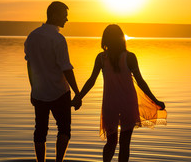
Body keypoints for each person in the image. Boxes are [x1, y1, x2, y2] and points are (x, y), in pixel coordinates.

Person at [71, 24, 167, 162]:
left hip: (110, 104)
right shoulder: (130, 57)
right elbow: (141, 82)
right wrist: (155, 100)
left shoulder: (101, 58)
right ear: (122, 39)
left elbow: (91, 81)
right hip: (128, 103)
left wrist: (77, 98)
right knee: (125, 144)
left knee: (111, 142)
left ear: (105, 40)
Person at [24, 1, 82, 162]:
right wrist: (77, 93)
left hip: (39, 93)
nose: (67, 19)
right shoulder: (58, 39)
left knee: (40, 130)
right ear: (55, 15)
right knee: (64, 130)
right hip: (59, 92)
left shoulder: (32, 36)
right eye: (65, 16)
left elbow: (29, 64)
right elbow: (66, 69)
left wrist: (33, 88)